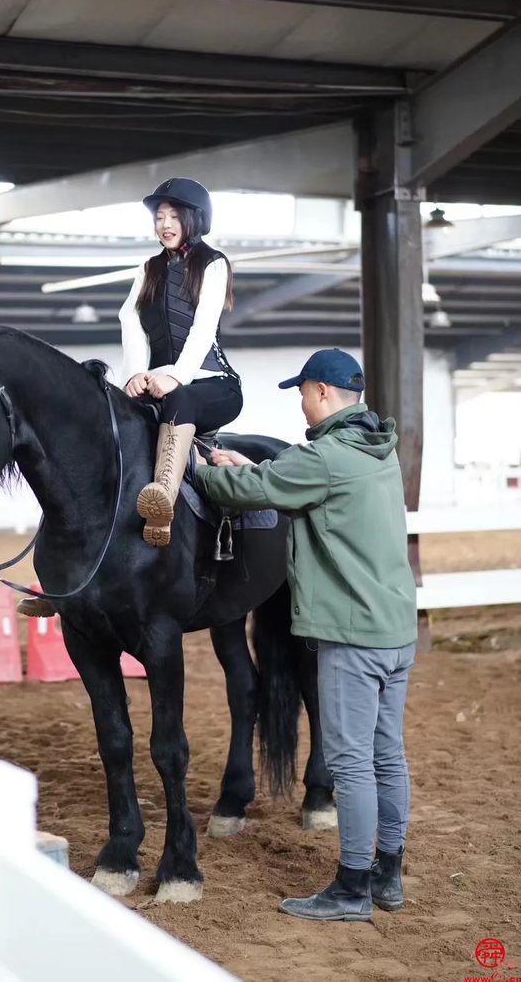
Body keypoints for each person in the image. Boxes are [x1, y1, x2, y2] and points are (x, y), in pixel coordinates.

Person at [194, 348, 417, 922]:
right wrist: (248, 465)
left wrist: (197, 469)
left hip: (351, 637)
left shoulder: (326, 455)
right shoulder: (377, 450)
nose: (301, 403)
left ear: (320, 392)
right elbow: (283, 480)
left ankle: (350, 888)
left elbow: (250, 493)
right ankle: (388, 875)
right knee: (387, 756)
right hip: (395, 631)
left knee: (350, 765)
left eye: (301, 392)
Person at [119, 177, 242, 547]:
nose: (165, 224)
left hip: (210, 382)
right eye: (160, 217)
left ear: (195, 219)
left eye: (174, 216)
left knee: (180, 399)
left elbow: (203, 327)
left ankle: (164, 500)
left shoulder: (213, 264)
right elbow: (131, 320)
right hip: (159, 384)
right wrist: (136, 374)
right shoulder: (148, 268)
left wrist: (176, 375)